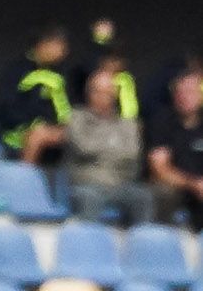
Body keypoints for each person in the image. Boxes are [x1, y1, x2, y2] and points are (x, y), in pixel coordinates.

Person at [63, 63, 152, 225]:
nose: (103, 98)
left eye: (108, 93)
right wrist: (113, 145)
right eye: (97, 92)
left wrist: (103, 148)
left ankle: (138, 245)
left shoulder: (127, 123)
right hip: (88, 184)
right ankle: (90, 245)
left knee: (142, 196)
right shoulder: (77, 118)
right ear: (89, 93)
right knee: (89, 197)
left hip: (121, 184)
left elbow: (132, 153)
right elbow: (84, 147)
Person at [0, 24, 73, 164]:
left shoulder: (61, 73)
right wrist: (31, 124)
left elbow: (66, 110)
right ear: (43, 45)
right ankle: (24, 180)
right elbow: (5, 109)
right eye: (60, 46)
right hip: (19, 133)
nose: (64, 52)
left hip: (57, 131)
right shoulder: (16, 71)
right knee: (38, 134)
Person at [146, 68, 203, 228]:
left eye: (191, 92)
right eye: (181, 92)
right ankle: (165, 242)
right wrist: (194, 184)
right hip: (178, 187)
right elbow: (160, 169)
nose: (186, 97)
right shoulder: (161, 121)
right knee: (164, 193)